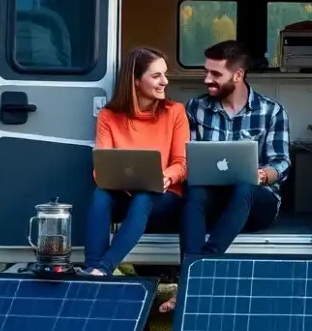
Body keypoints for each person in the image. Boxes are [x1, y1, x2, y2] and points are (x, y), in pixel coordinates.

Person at [82, 46, 188, 279]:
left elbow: (182, 163)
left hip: (165, 195)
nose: (165, 82)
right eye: (156, 76)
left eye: (165, 74)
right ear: (136, 81)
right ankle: (91, 269)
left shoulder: (175, 112)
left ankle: (103, 268)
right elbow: (102, 168)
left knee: (144, 197)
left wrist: (165, 177)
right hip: (123, 193)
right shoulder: (109, 116)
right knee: (101, 196)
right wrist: (117, 179)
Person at [179, 38, 291, 259]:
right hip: (214, 201)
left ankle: (205, 263)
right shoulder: (196, 108)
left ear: (238, 75)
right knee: (194, 192)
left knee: (244, 187)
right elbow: (187, 156)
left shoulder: (272, 111)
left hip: (257, 205)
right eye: (206, 72)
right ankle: (192, 266)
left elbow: (282, 163)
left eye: (216, 74)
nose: (207, 79)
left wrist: (262, 175)